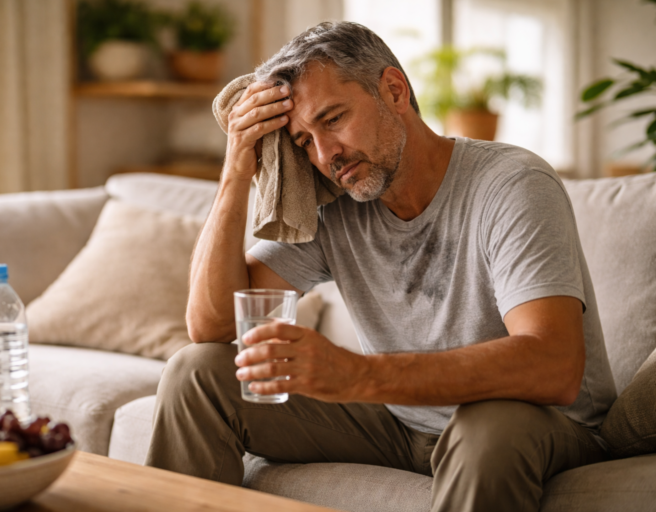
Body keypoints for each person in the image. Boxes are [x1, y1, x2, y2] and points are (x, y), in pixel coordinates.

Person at [145, 22, 617, 512]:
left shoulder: (511, 184)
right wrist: (235, 172)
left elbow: (554, 366)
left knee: (486, 424)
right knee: (196, 372)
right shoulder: (335, 204)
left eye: (332, 119)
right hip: (400, 425)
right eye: (304, 141)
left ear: (394, 90)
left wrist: (355, 374)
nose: (325, 155)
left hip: (538, 425)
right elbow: (213, 325)